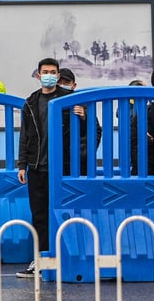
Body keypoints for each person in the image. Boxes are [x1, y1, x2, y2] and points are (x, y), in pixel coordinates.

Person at [15, 57, 94, 278]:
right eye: (45, 71)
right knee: (39, 215)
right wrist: (22, 164)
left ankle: (68, 259)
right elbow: (25, 136)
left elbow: (90, 131)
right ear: (38, 75)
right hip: (37, 166)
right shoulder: (30, 102)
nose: (49, 75)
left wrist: (84, 116)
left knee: (66, 213)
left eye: (53, 71)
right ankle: (40, 259)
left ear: (58, 76)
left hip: (64, 168)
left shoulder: (71, 99)